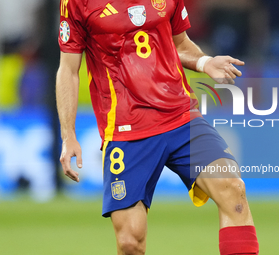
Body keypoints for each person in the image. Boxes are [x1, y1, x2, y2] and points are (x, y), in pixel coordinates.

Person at [56, 0, 259, 254]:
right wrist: (68, 134)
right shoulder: (77, 3)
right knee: (130, 242)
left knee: (233, 189)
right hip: (126, 130)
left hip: (180, 116)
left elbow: (179, 43)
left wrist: (205, 62)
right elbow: (68, 69)